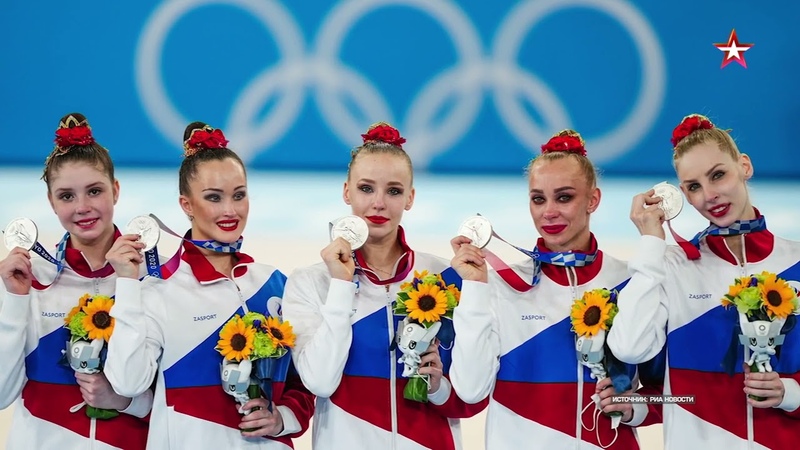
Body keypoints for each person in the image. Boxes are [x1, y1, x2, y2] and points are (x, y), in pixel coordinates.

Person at [104, 122, 314, 448]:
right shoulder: (158, 290)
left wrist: (282, 418)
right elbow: (128, 383)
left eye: (239, 195)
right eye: (214, 198)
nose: (230, 210)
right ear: (186, 205)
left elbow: (304, 381)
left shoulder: (274, 284)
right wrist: (127, 285)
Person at [449, 130, 662, 449]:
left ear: (593, 200)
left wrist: (638, 407)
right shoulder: (500, 286)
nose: (548, 212)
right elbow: (469, 389)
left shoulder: (631, 282)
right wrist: (475, 288)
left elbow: (677, 395)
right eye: (538, 199)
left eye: (564, 197)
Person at [281, 122, 486, 450]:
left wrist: (437, 388)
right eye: (366, 188)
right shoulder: (310, 282)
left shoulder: (445, 277)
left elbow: (472, 397)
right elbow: (320, 381)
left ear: (410, 197)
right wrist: (341, 285)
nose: (378, 203)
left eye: (393, 191)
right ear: (346, 191)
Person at [608, 114, 800, 449]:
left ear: (744, 166)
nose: (710, 195)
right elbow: (630, 348)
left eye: (718, 175)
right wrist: (651, 242)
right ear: (683, 194)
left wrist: (790, 393)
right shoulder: (670, 266)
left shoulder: (795, 262)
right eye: (694, 187)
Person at [0, 113, 153, 449]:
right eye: (67, 196)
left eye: (94, 191)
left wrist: (127, 402)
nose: (82, 207)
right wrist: (14, 301)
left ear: (115, 190)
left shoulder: (154, 275)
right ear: (51, 202)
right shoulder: (27, 279)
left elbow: (179, 399)